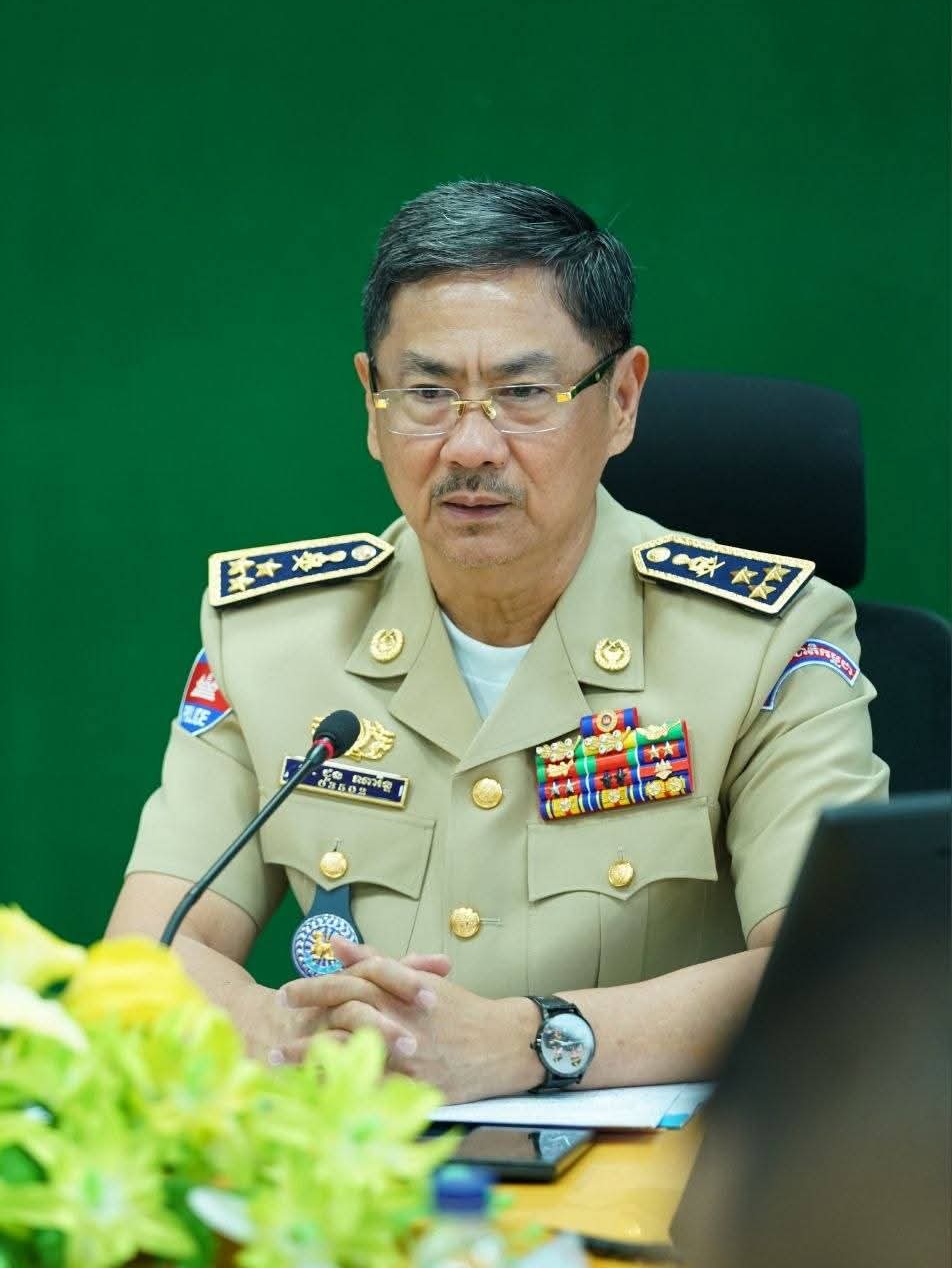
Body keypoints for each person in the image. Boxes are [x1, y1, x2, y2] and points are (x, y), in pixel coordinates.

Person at [107, 181, 888, 1103]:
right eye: (427, 393)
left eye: (523, 393)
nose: (471, 446)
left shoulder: (766, 643)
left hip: (654, 1175)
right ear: (371, 403)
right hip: (369, 1160)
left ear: (622, 399)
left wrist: (535, 1040)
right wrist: (278, 1030)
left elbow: (837, 975)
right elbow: (145, 956)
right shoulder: (272, 640)